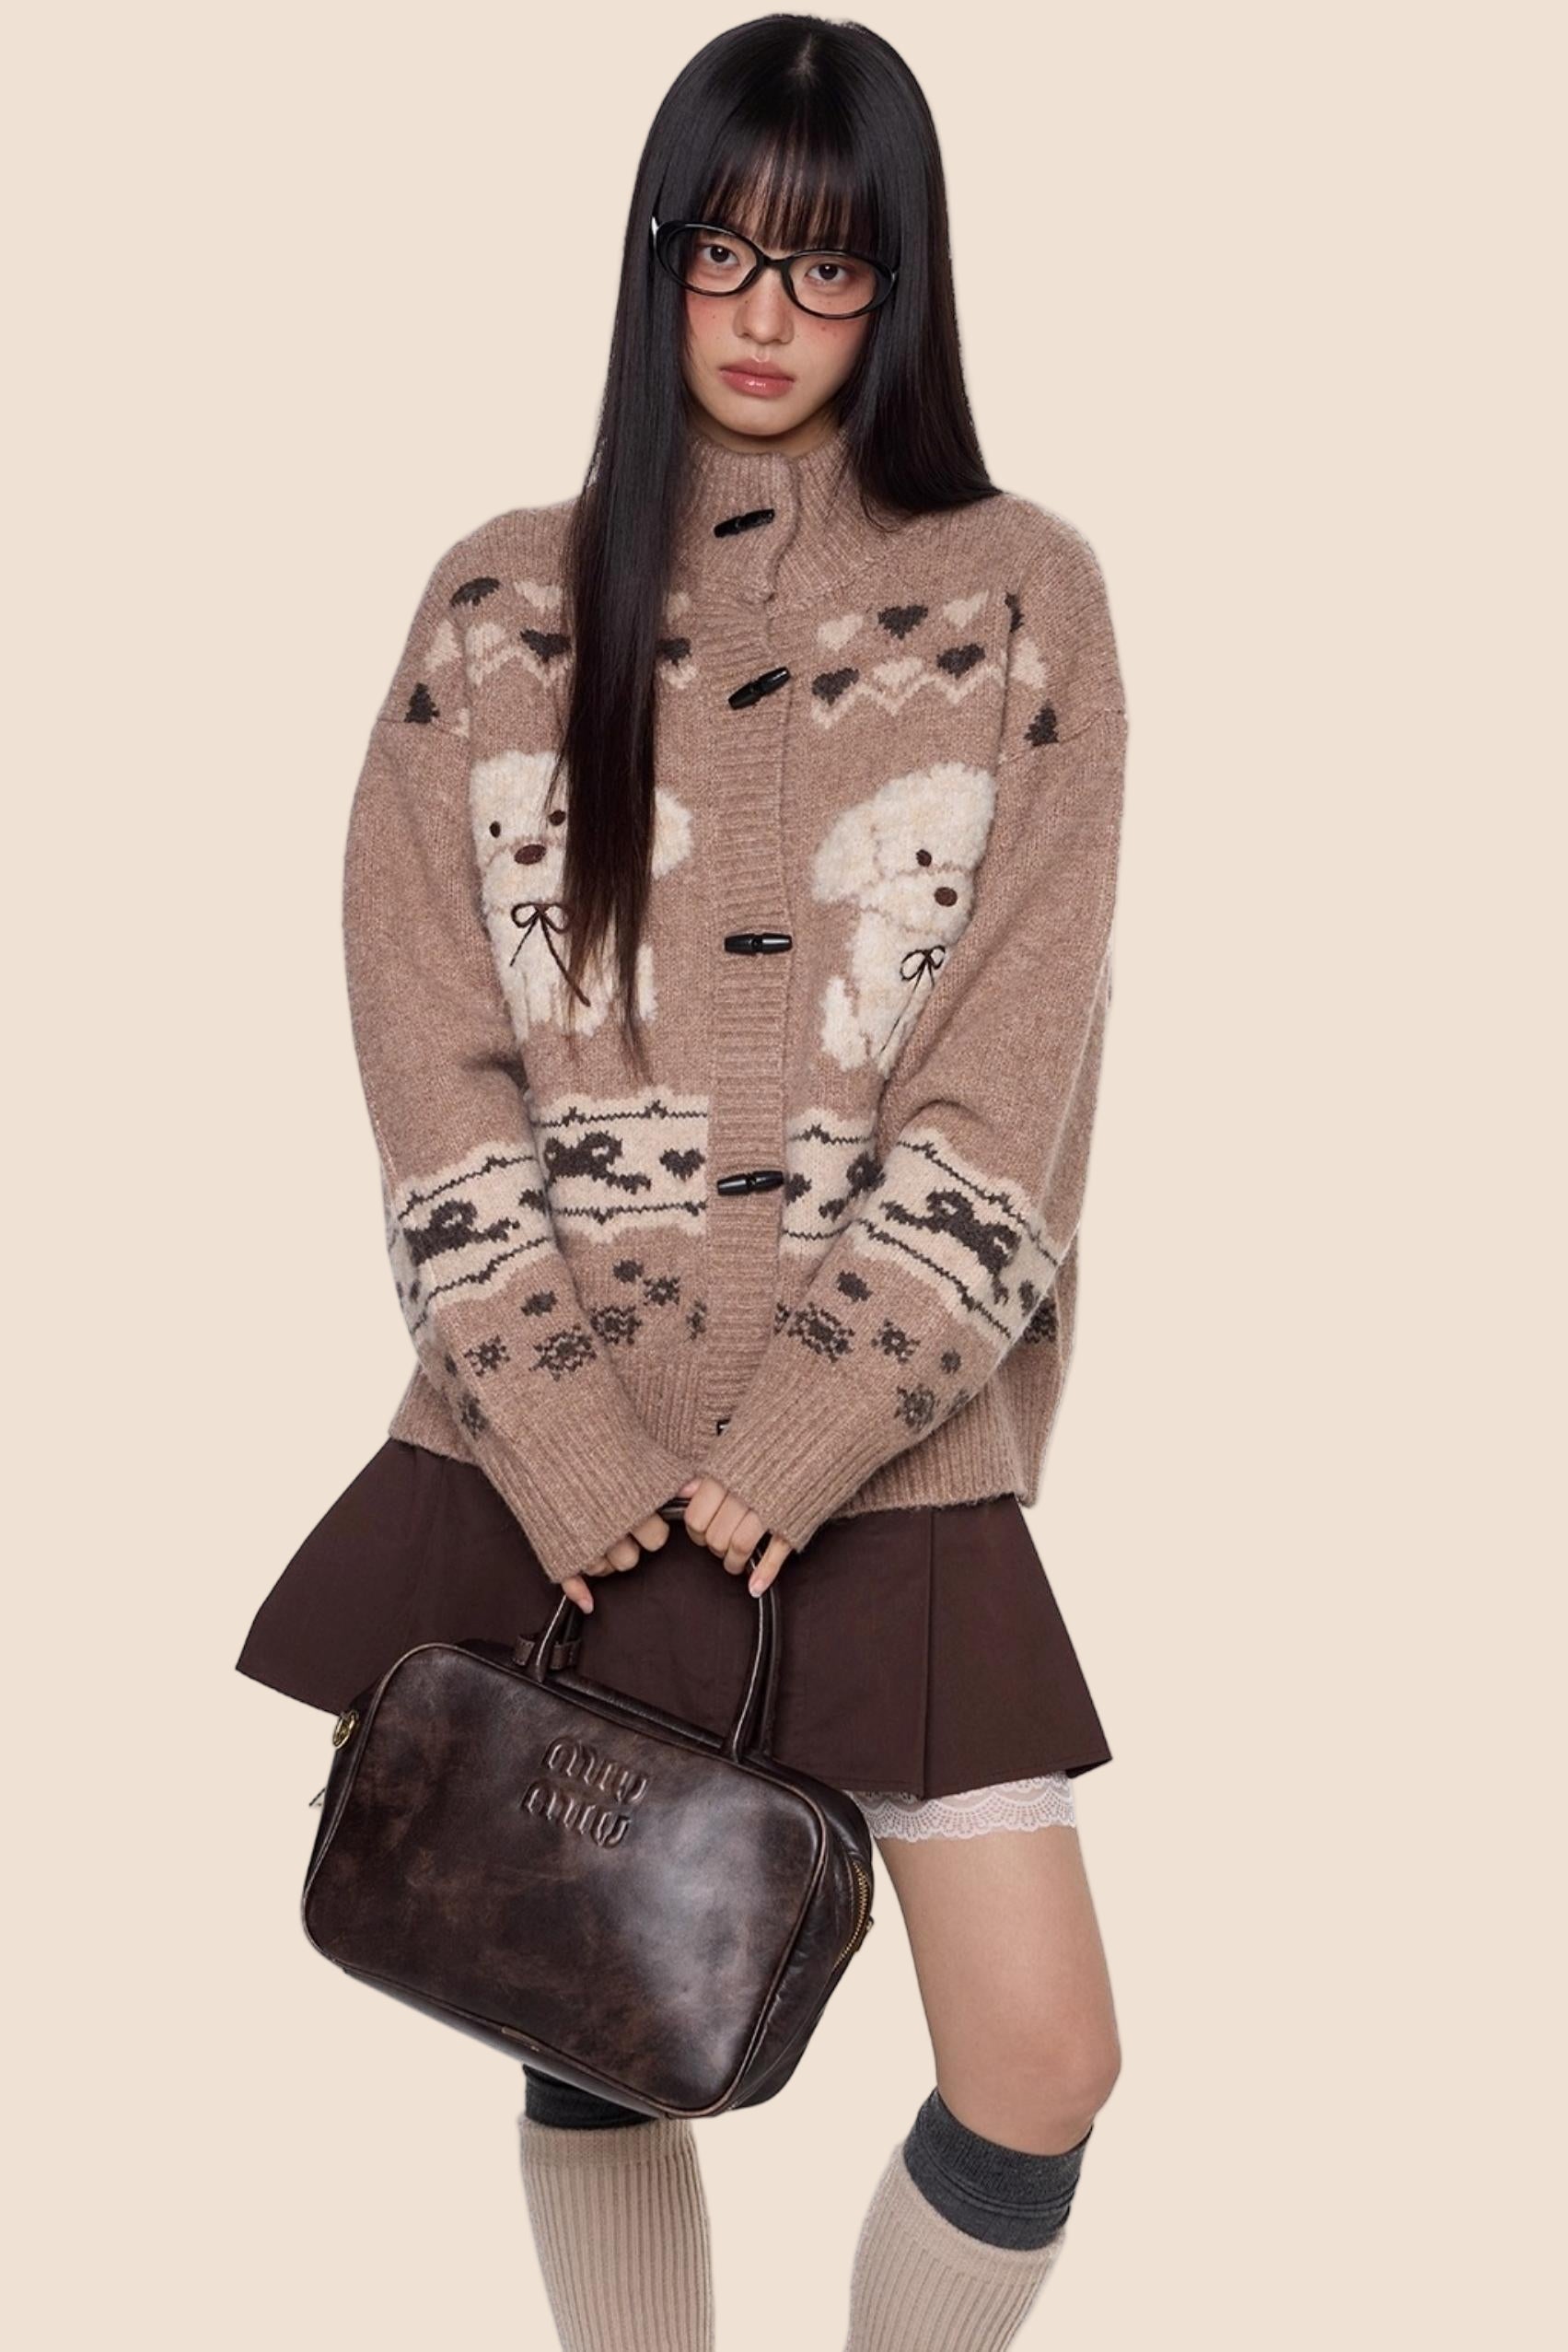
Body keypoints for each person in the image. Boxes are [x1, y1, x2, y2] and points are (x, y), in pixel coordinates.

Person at [236, 15, 1129, 2347]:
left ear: (900, 285)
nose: (763, 312)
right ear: (654, 261)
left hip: (897, 1454)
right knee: (590, 2013)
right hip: (570, 1460)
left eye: (827, 265)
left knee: (1041, 2058)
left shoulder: (1019, 595)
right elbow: (428, 1061)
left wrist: (814, 1421)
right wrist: (570, 1442)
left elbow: (1012, 1073)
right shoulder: (496, 607)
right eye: (719, 251)